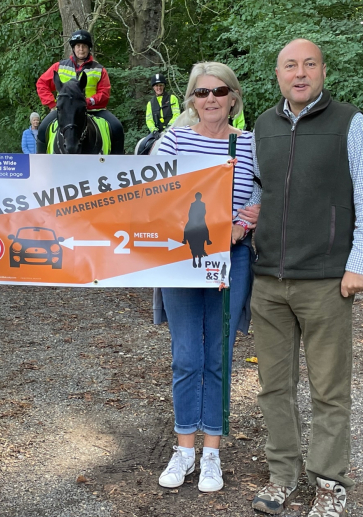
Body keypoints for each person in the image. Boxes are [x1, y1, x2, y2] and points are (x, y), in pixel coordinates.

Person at [248, 39, 363, 517]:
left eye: (309, 64)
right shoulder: (261, 126)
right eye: (290, 65)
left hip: (327, 279)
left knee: (329, 389)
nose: (300, 73)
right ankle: (283, 475)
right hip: (267, 280)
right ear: (278, 73)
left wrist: (359, 262)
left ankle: (329, 482)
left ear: (323, 71)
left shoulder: (350, 123)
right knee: (273, 387)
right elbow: (254, 190)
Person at [153, 62, 256, 493]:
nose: (210, 99)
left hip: (231, 259)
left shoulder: (250, 142)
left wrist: (250, 218)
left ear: (233, 97)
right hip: (182, 259)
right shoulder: (173, 138)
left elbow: (269, 190)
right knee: (186, 357)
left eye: (218, 91)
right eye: (201, 92)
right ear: (192, 100)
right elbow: (146, 190)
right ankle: (184, 449)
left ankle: (211, 451)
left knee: (218, 357)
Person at [35, 29, 124, 154]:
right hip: (65, 111)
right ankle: (42, 165)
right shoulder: (59, 66)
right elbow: (42, 83)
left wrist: (89, 101)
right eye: (78, 46)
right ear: (73, 48)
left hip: (94, 110)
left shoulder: (99, 69)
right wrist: (53, 104)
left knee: (117, 127)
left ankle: (117, 165)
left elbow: (104, 92)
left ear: (89, 48)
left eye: (84, 46)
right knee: (43, 128)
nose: (81, 49)